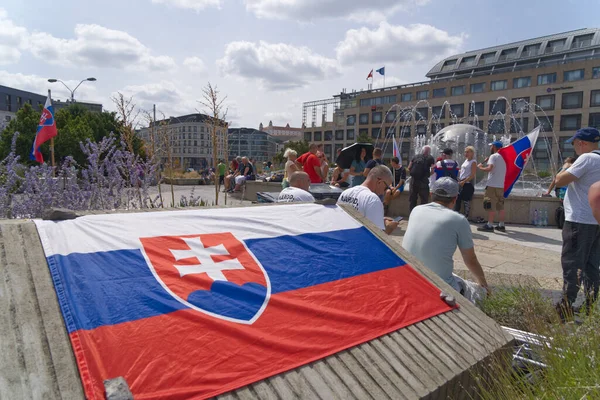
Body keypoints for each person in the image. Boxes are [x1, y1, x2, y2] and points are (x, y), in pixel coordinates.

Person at [403, 178, 489, 303]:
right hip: (440, 288)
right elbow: (470, 259)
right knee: (480, 293)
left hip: (411, 279)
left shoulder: (416, 210)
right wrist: (484, 285)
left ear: (432, 194)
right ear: (454, 199)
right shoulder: (458, 220)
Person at [553, 127, 600, 316]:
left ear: (582, 143)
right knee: (591, 265)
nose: (575, 149)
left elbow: (559, 180)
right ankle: (590, 306)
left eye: (574, 144)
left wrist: (566, 166)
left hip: (579, 220)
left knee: (572, 264)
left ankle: (565, 307)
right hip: (595, 221)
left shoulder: (587, 158)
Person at [337, 166, 399, 235]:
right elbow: (377, 238)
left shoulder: (345, 193)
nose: (384, 192)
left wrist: (378, 218)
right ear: (379, 182)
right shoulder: (373, 199)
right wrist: (390, 227)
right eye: (386, 188)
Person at [477, 141, 507, 232]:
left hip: (492, 185)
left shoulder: (493, 156)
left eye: (491, 146)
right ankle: (501, 225)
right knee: (500, 206)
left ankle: (490, 225)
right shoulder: (504, 157)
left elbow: (490, 169)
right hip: (501, 185)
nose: (490, 148)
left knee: (490, 204)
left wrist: (480, 167)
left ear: (494, 147)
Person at [407, 145, 435, 212]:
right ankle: (422, 215)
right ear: (429, 151)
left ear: (422, 150)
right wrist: (427, 175)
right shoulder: (430, 158)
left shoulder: (416, 156)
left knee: (412, 199)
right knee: (424, 200)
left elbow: (409, 167)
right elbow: (433, 170)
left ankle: (412, 214)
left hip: (413, 181)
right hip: (423, 181)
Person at [454, 146, 477, 218]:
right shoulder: (466, 161)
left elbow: (472, 175)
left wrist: (464, 181)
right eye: (465, 152)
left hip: (467, 184)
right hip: (461, 182)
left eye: (467, 152)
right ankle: (456, 215)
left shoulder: (473, 162)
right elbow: (463, 171)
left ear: (472, 153)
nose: (465, 153)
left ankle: (466, 216)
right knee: (458, 199)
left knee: (466, 201)